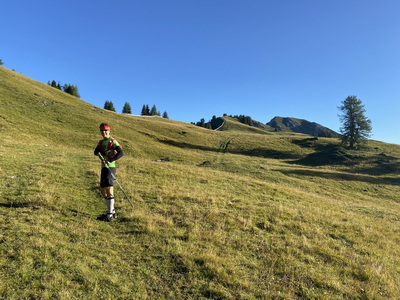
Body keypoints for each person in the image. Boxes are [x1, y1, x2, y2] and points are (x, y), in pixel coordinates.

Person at [94, 123, 124, 221]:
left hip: (110, 167)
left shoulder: (113, 141)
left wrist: (110, 160)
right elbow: (95, 152)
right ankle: (113, 211)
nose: (104, 132)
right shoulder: (101, 142)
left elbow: (121, 153)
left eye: (106, 130)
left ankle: (109, 215)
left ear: (109, 131)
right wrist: (104, 153)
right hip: (103, 167)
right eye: (102, 130)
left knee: (109, 189)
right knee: (103, 190)